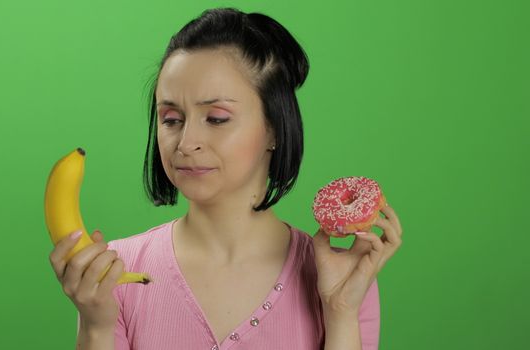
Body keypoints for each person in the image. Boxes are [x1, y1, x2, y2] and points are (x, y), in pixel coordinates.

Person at [49, 7, 403, 350]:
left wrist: (340, 312)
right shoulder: (115, 273)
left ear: (275, 128)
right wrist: (96, 328)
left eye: (216, 118)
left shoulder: (342, 277)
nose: (186, 144)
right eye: (171, 119)